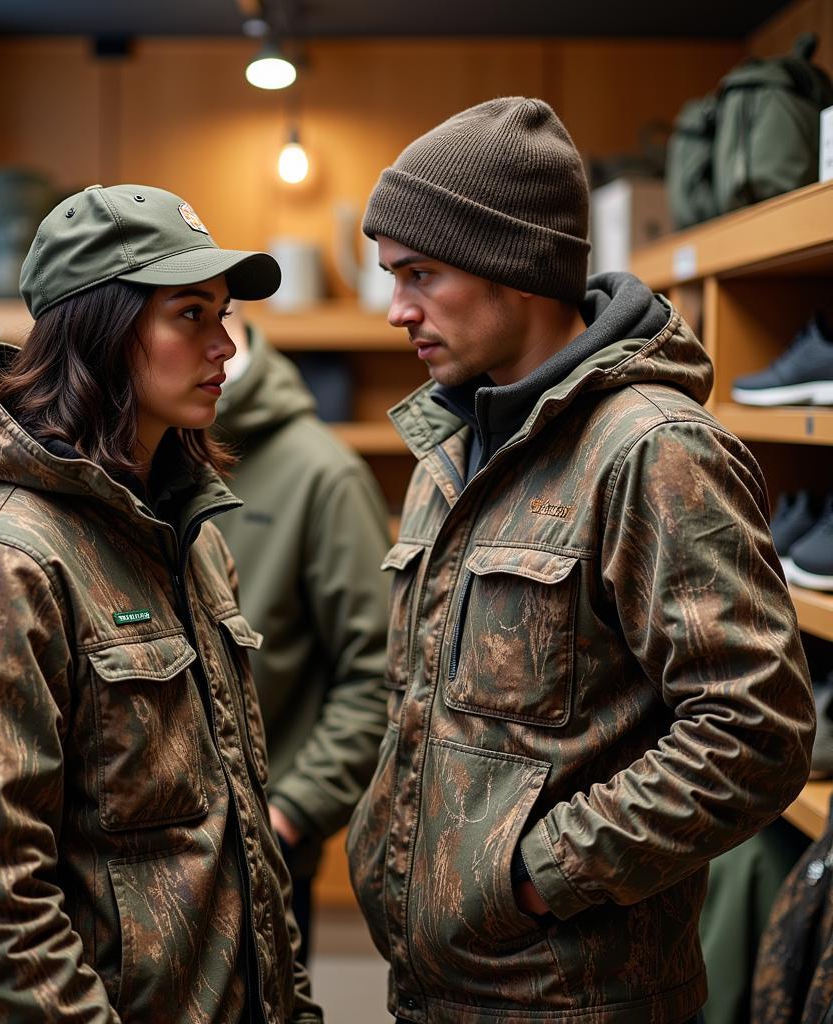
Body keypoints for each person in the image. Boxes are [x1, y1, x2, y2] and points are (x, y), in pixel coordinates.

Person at [344, 97, 815, 1024]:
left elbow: (754, 731)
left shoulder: (652, 451)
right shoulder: (450, 449)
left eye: (420, 275)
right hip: (438, 988)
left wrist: (533, 874)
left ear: (509, 266)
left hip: (574, 999)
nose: (397, 310)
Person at [0, 184, 323, 1024]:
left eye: (224, 315)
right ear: (100, 330)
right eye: (191, 316)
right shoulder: (2, 560)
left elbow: (235, 831)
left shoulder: (187, 536)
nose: (227, 348)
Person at [213, 306, 390, 961]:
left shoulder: (322, 474)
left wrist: (288, 817)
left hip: (263, 863)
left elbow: (379, 673)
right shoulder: (135, 455)